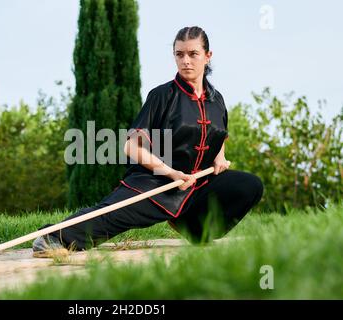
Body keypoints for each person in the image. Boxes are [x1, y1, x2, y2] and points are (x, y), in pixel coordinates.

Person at [33, 26, 264, 256]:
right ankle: (53, 237)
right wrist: (170, 172)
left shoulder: (217, 100)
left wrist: (219, 158)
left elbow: (218, 135)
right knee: (112, 214)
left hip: (197, 186)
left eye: (193, 54)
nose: (185, 61)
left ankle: (195, 229)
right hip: (156, 182)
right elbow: (131, 146)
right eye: (179, 54)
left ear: (207, 56)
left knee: (249, 186)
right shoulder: (162, 95)